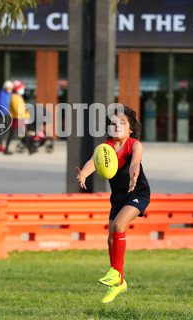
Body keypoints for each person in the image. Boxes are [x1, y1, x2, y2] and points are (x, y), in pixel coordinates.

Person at [76, 105, 151, 304]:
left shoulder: (135, 145)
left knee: (119, 225)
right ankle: (118, 283)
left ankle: (116, 274)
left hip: (137, 193)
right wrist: (84, 173)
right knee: (111, 240)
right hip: (118, 197)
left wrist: (134, 176)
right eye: (113, 123)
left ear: (131, 129)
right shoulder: (105, 147)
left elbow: (135, 163)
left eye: (122, 123)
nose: (117, 126)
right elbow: (93, 161)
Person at [3, 80, 33, 155]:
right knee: (12, 134)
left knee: (23, 134)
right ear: (17, 89)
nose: (23, 90)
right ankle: (6, 149)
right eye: (22, 88)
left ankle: (30, 150)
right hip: (17, 118)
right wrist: (25, 114)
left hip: (20, 118)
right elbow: (17, 109)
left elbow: (21, 107)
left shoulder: (18, 97)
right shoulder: (14, 97)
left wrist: (26, 114)